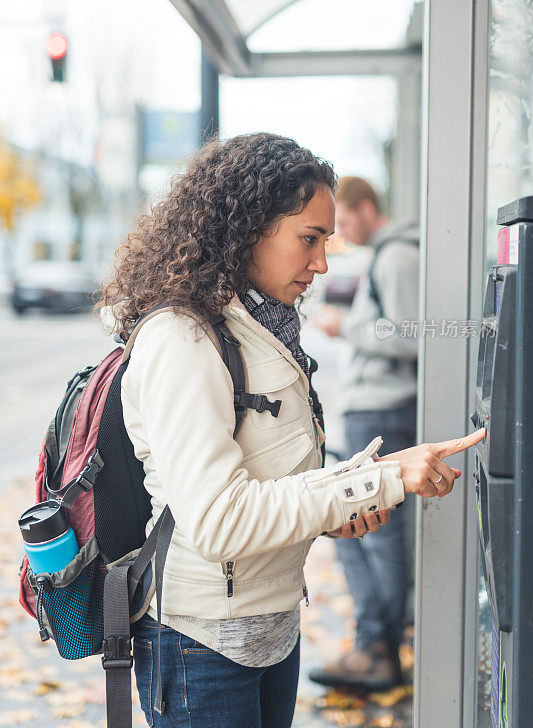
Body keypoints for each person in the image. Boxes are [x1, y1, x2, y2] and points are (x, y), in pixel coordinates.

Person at [97, 135, 483, 727]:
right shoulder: (185, 338)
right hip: (202, 645)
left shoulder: (260, 325)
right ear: (248, 228)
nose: (323, 262)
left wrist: (338, 507)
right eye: (309, 238)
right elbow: (219, 518)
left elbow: (273, 479)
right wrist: (372, 482)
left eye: (328, 240)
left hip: (272, 627)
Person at [312, 176, 420, 689]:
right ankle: (375, 640)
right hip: (374, 409)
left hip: (382, 410)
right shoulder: (387, 254)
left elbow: (410, 332)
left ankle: (380, 646)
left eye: (346, 221)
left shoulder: (395, 257)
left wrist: (344, 327)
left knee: (376, 532)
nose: (343, 235)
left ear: (368, 208)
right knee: (353, 527)